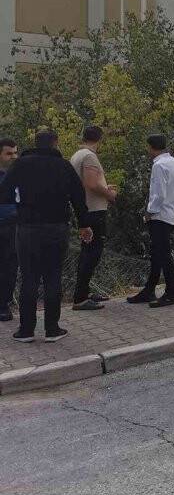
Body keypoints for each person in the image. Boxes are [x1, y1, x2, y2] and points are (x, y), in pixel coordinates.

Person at [0, 131, 92, 343]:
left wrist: (22, 205)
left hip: (27, 228)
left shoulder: (21, 165)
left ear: (35, 144)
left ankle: (26, 330)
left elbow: (4, 192)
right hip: (57, 228)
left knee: (29, 277)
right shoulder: (64, 166)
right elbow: (79, 197)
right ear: (55, 144)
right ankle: (52, 329)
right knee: (53, 276)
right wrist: (84, 225)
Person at [128, 135, 174, 307]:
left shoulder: (159, 166)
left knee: (163, 254)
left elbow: (158, 193)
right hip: (171, 212)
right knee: (158, 253)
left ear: (151, 147)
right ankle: (149, 289)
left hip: (159, 215)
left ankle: (171, 292)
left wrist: (149, 212)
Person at [70, 126, 118, 311]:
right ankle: (80, 297)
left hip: (84, 209)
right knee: (93, 252)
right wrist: (110, 194)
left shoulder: (77, 155)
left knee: (87, 251)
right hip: (94, 210)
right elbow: (90, 183)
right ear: (100, 139)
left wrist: (104, 186)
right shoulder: (89, 156)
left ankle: (84, 291)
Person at [0, 138, 19, 322]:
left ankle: (3, 304)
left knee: (10, 266)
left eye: (15, 152)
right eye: (8, 153)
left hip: (13, 225)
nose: (13, 156)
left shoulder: (19, 174)